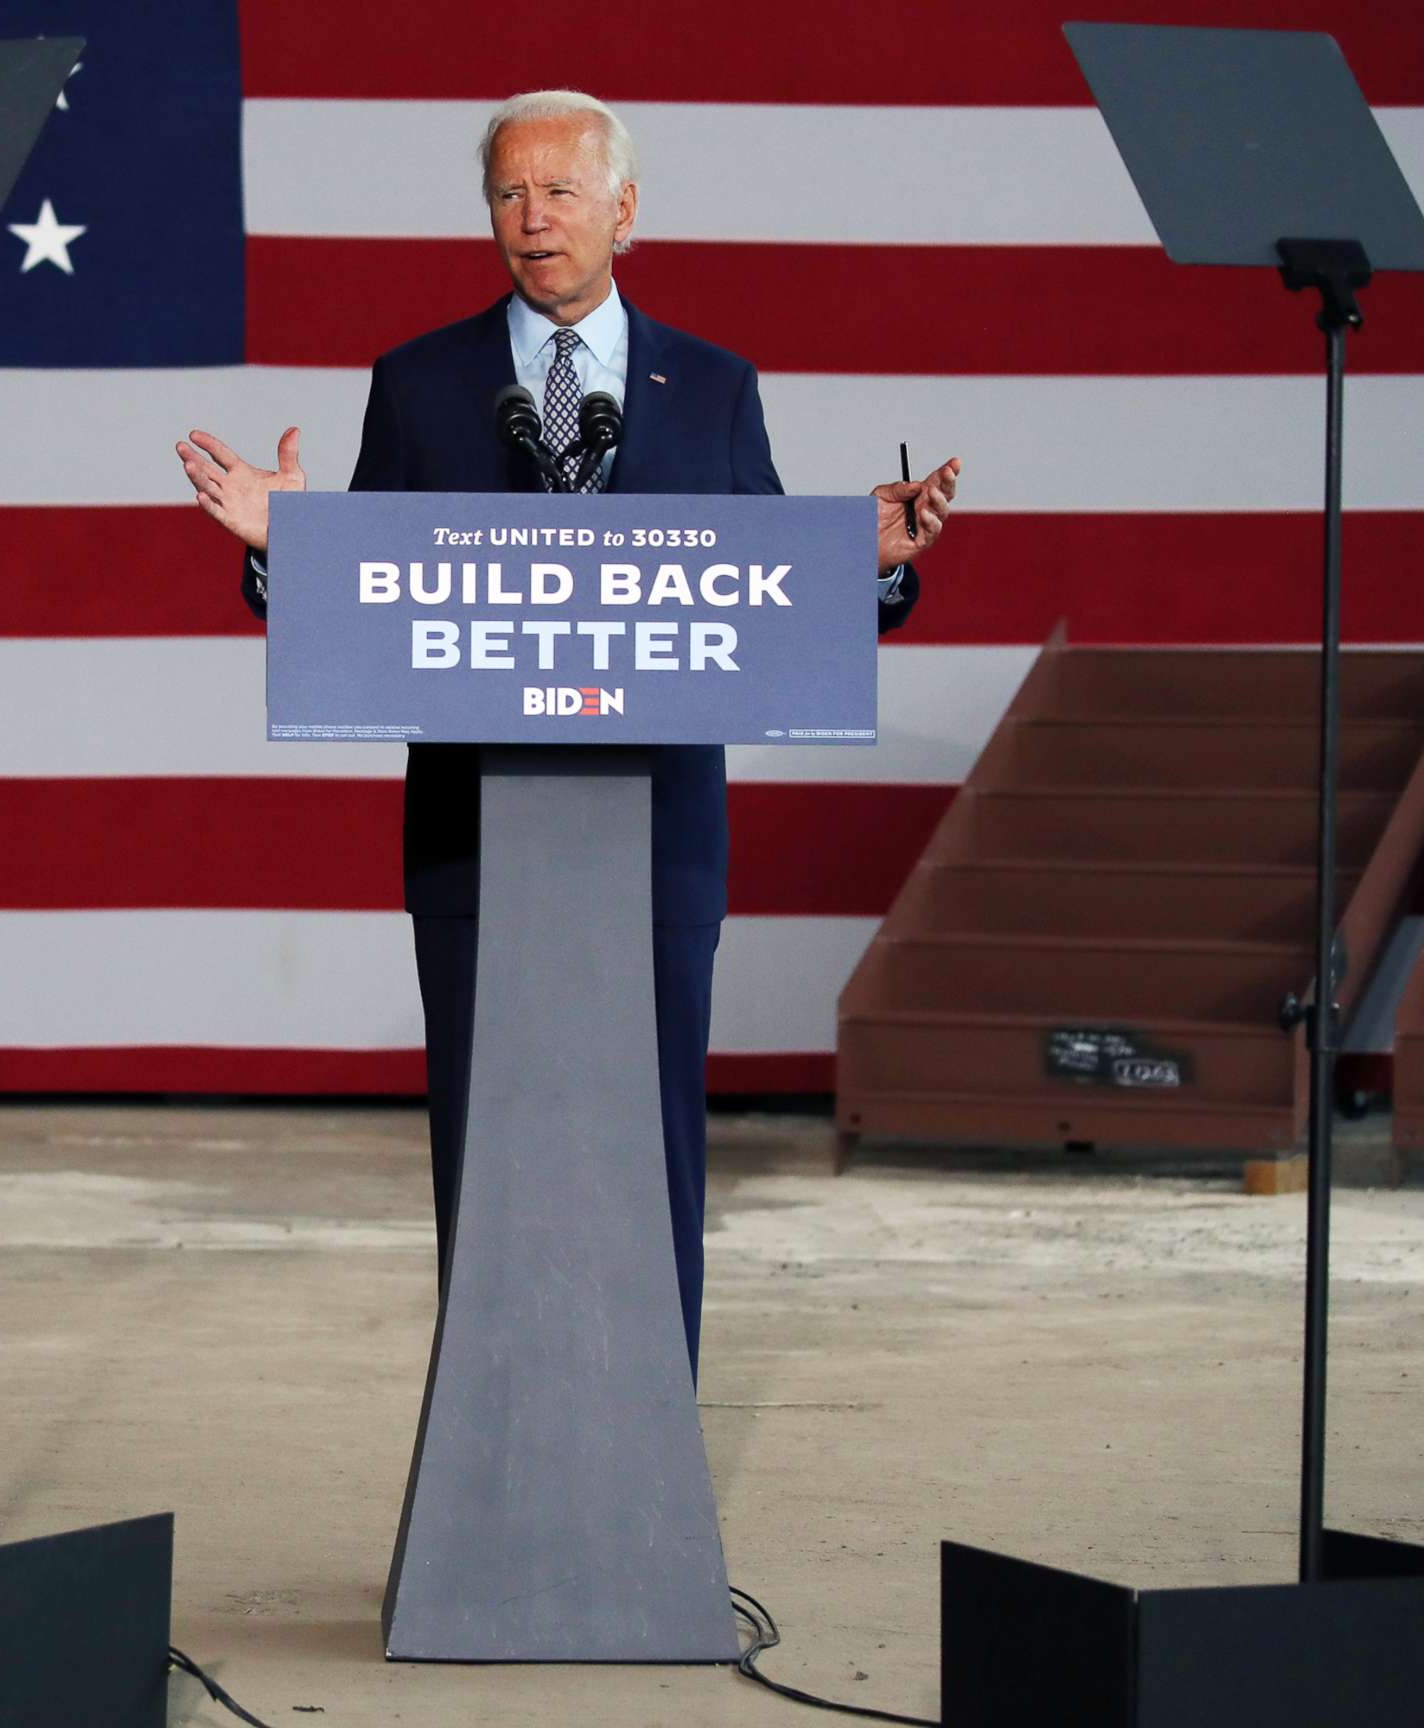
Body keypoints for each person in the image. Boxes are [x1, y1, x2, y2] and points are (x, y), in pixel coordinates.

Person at [173, 89, 960, 1376]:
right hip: (477, 847)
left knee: (649, 1151)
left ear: (625, 210)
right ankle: (491, 1460)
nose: (532, 219)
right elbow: (369, 611)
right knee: (487, 1155)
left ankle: (656, 1460)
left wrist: (860, 563)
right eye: (508, 194)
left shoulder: (710, 387)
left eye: (560, 192)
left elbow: (767, 592)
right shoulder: (420, 382)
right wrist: (293, 550)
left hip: (655, 842)